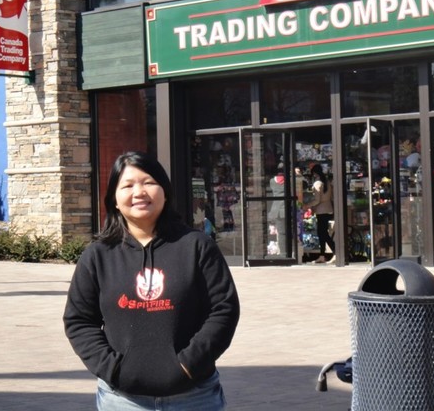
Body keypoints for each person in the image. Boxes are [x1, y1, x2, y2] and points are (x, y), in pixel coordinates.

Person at [63, 151, 240, 411]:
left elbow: (224, 310)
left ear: (165, 192)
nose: (139, 192)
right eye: (128, 185)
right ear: (114, 199)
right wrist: (113, 369)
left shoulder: (196, 246)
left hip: (194, 397)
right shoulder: (98, 256)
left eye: (149, 182)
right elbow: (79, 320)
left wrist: (188, 364)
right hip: (121, 400)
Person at [307, 164, 335, 264]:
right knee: (322, 233)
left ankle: (336, 252)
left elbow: (317, 200)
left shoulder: (317, 184)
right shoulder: (327, 182)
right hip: (328, 209)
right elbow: (331, 197)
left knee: (323, 233)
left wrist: (307, 205)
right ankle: (322, 255)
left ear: (314, 173)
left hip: (321, 210)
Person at [268, 163, 288, 257]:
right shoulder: (289, 180)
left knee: (280, 232)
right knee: (284, 232)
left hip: (275, 208)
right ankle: (284, 252)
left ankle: (282, 251)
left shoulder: (272, 181)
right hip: (285, 207)